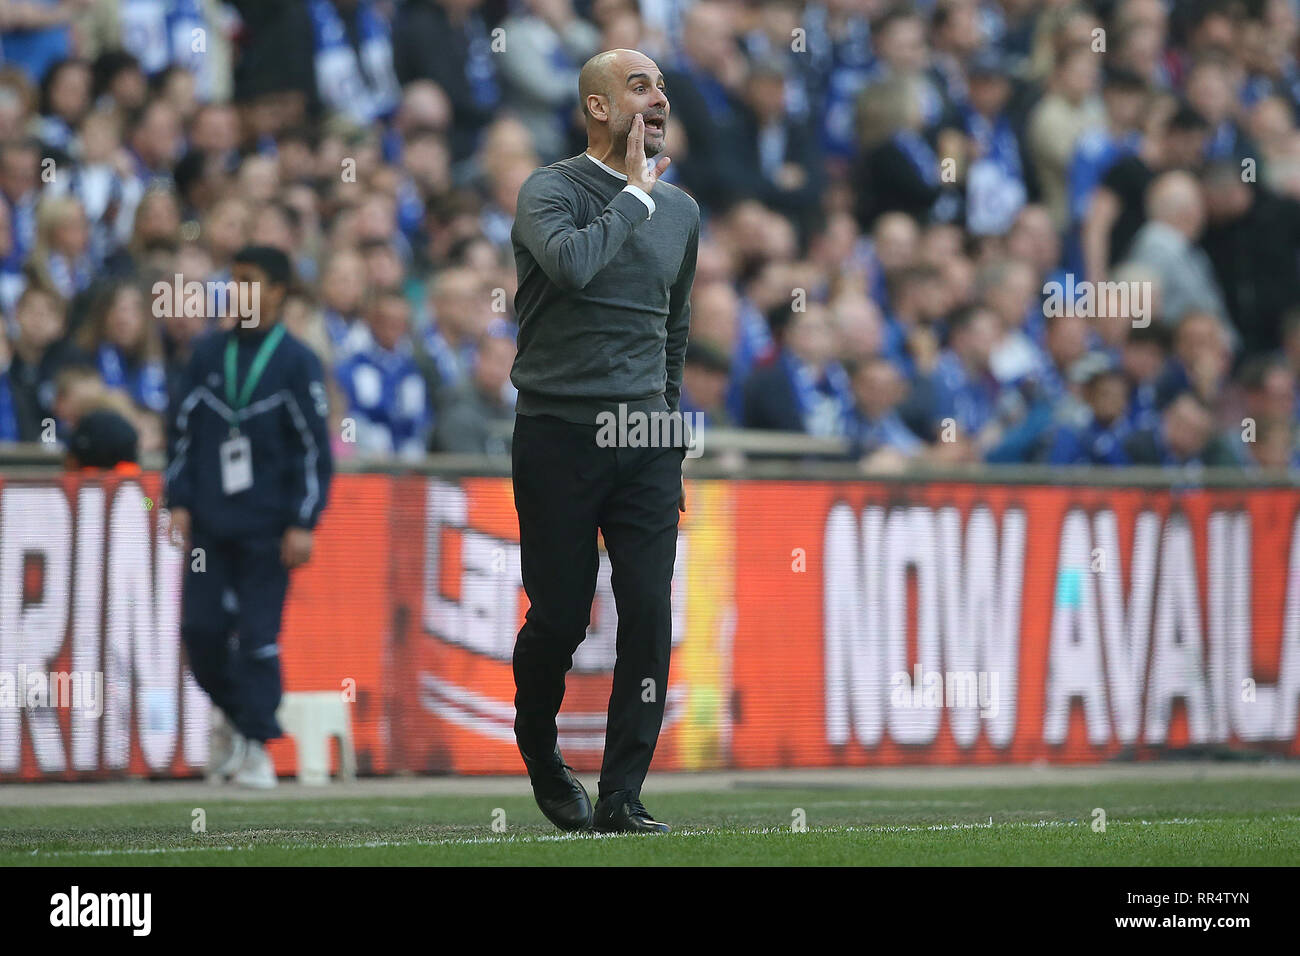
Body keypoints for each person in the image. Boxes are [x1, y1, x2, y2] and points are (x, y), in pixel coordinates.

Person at [509, 48, 698, 834]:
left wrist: (668, 420)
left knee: (649, 612)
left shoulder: (683, 210)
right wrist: (632, 196)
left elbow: (675, 327)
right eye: (639, 87)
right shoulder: (549, 191)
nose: (657, 100)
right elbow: (576, 267)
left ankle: (623, 791)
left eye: (660, 88)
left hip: (646, 433)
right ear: (596, 107)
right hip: (558, 428)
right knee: (560, 615)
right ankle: (538, 744)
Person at [164, 245, 334, 789]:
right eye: (232, 279)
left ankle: (258, 746)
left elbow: (315, 451)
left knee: (259, 638)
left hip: (269, 528)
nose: (235, 290)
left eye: (249, 280)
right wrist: (179, 502)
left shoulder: (298, 362)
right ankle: (244, 724)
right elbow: (181, 435)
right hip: (210, 525)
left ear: (279, 291)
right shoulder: (207, 353)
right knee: (200, 631)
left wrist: (304, 521)